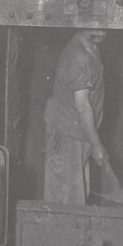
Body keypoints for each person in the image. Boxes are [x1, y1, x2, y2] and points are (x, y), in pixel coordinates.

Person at [43, 30, 110, 205]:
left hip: (79, 132)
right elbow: (82, 106)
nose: (103, 31)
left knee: (79, 191)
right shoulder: (79, 58)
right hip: (68, 132)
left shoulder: (91, 45)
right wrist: (97, 145)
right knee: (67, 199)